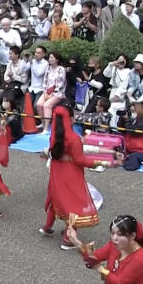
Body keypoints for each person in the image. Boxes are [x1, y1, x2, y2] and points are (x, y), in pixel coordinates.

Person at [41, 105, 121, 250]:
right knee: (74, 204)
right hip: (70, 174)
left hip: (56, 172)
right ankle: (68, 239)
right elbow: (81, 160)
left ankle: (47, 227)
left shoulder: (55, 135)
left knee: (57, 198)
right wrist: (106, 162)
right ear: (70, 118)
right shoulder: (73, 138)